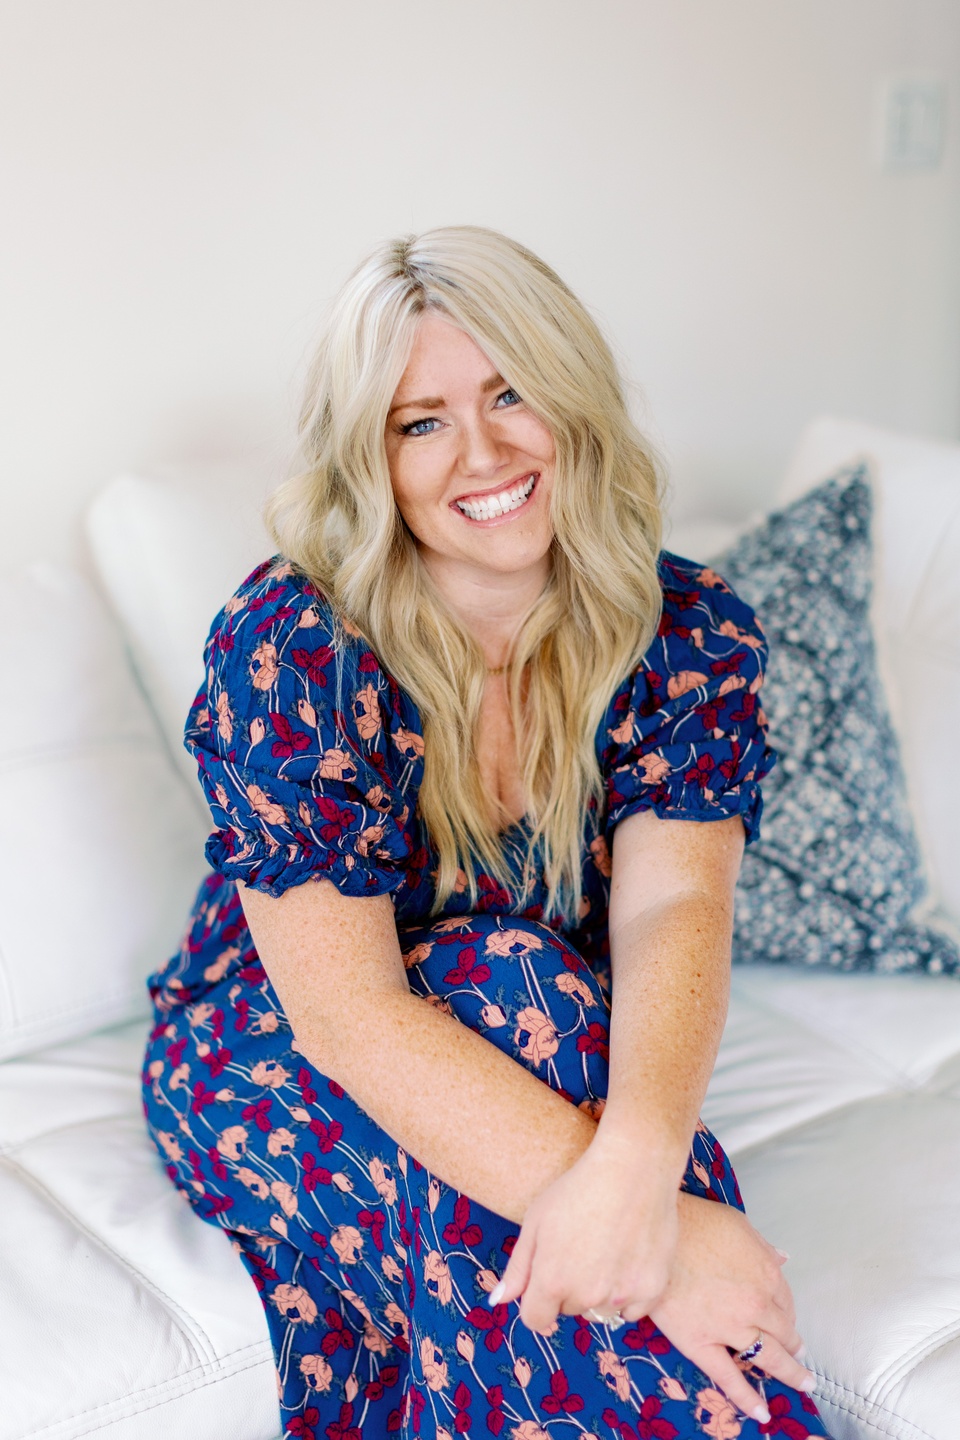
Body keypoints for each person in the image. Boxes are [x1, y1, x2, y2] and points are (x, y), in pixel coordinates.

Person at [143, 226, 831, 1440]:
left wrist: (638, 1171)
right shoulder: (298, 650)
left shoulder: (685, 631)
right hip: (269, 1046)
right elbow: (347, 1014)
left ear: (574, 398)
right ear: (372, 460)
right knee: (513, 979)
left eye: (513, 393)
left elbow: (677, 908)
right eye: (422, 422)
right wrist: (674, 1239)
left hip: (530, 1037)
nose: (484, 451)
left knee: (525, 988)